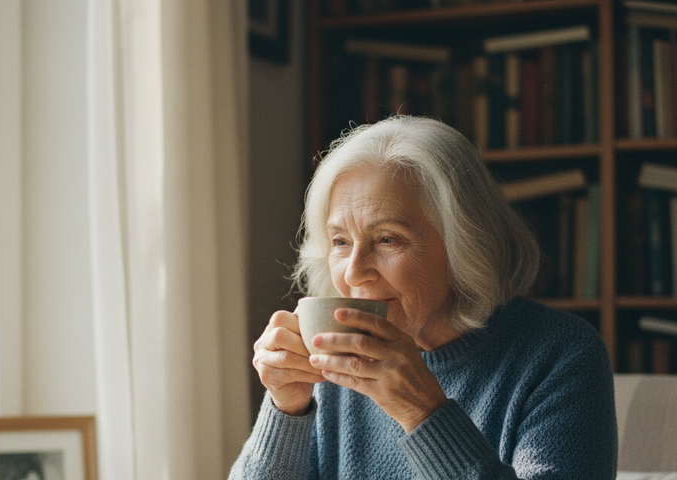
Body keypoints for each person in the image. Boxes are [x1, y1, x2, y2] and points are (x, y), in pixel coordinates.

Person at [229, 116, 617, 479]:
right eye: (341, 242)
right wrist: (286, 408)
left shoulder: (562, 356)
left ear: (464, 243)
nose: (353, 272)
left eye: (387, 239)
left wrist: (423, 412)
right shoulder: (335, 366)